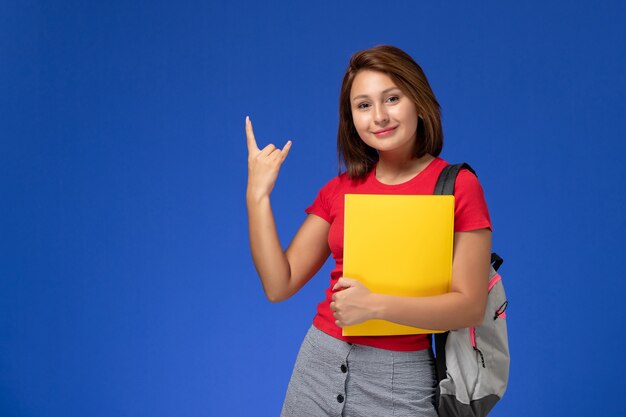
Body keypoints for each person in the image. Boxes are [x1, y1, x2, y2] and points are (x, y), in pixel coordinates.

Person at [245, 45, 492, 417]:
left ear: (419, 102)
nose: (379, 116)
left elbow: (470, 307)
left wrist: (374, 305)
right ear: (351, 119)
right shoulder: (339, 189)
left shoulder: (457, 185)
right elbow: (280, 284)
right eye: (363, 105)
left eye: (391, 98)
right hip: (319, 364)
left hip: (400, 379)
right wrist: (258, 196)